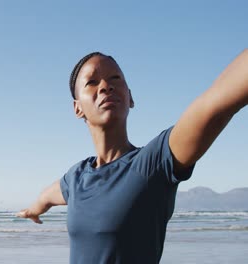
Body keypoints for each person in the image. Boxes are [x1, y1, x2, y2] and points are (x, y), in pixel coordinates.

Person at [18, 50, 248, 263]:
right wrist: (34, 210)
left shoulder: (154, 164)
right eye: (92, 82)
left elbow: (215, 105)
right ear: (77, 108)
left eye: (115, 79)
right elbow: (48, 195)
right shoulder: (76, 177)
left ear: (130, 97)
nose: (106, 86)